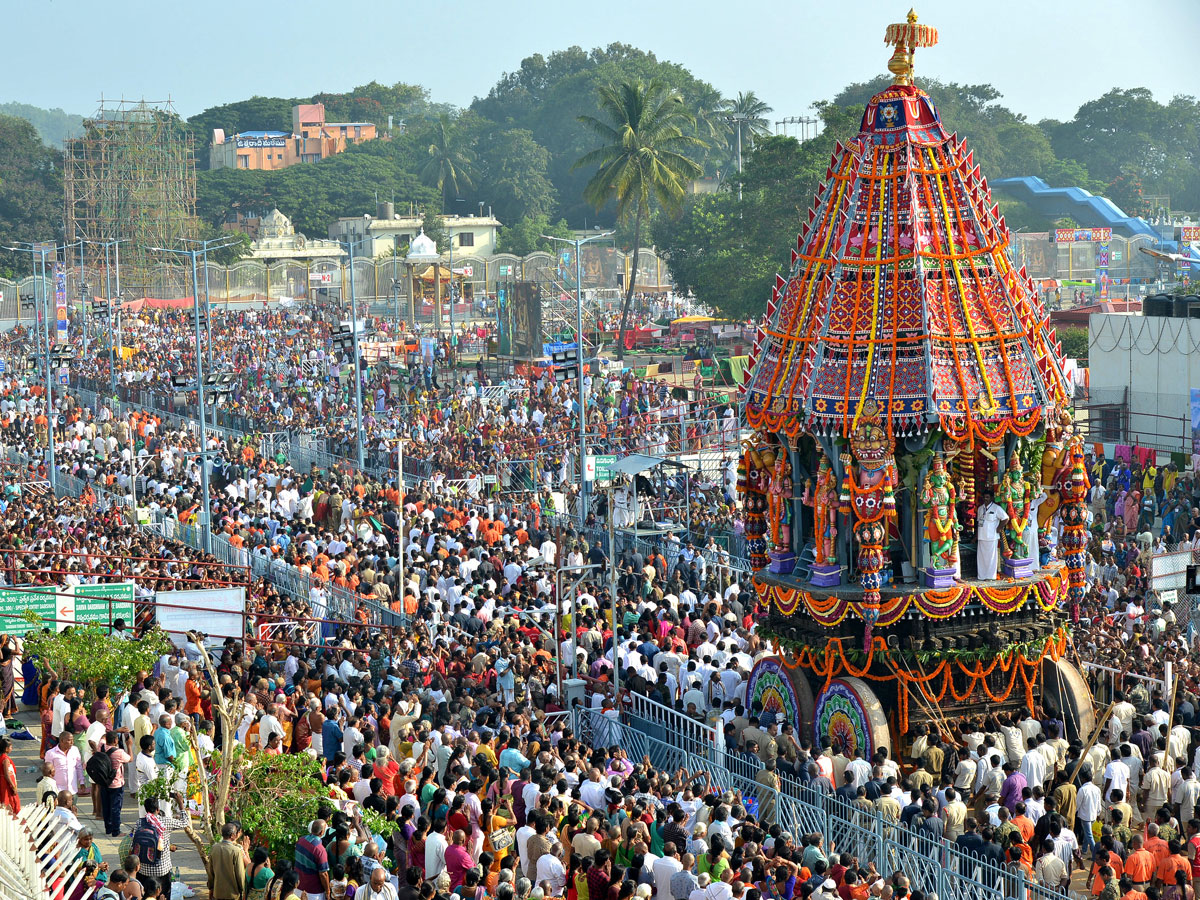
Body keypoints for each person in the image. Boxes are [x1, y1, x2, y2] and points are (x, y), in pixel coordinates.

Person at [209, 821, 247, 900]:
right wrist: (243, 891)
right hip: (232, 893)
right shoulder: (236, 851)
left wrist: (211, 888)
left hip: (218, 892)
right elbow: (240, 874)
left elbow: (210, 872)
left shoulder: (214, 848)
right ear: (232, 835)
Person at [976, 492, 1009, 581]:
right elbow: (978, 523)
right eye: (984, 497)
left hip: (992, 537)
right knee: (981, 558)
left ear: (991, 498)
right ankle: (982, 576)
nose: (985, 499)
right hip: (982, 536)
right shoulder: (980, 508)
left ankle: (990, 576)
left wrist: (999, 527)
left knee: (991, 558)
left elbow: (1006, 518)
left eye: (987, 497)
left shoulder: (996, 508)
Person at [0, 736, 19, 814]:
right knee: (10, 802)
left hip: (4, 783)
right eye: (11, 747)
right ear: (6, 749)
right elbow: (7, 775)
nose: (12, 748)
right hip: (6, 785)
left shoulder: (2, 757)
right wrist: (13, 787)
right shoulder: (5, 759)